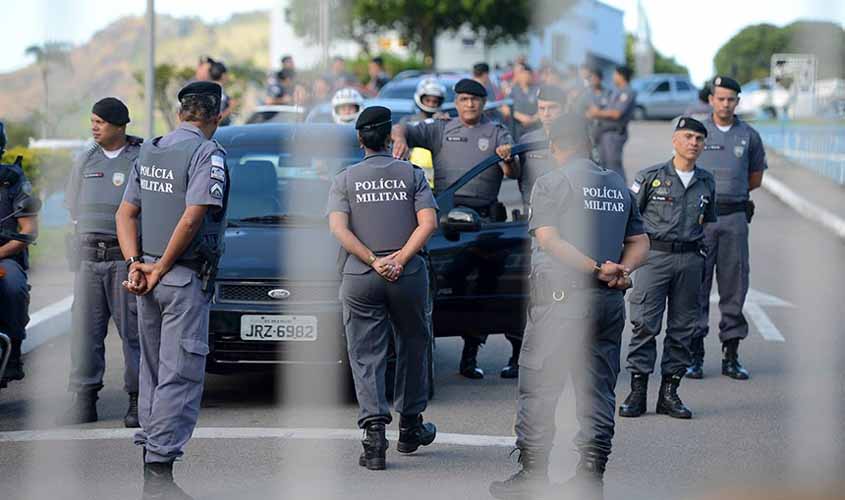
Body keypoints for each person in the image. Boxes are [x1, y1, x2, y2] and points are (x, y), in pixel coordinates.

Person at [490, 114, 649, 500]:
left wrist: (595, 268)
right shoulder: (616, 185)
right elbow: (641, 240)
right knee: (598, 389)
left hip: (562, 302)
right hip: (608, 303)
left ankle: (533, 475)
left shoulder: (552, 182)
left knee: (540, 386)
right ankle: (590, 476)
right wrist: (620, 269)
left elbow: (549, 239)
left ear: (555, 146)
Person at [116, 81, 228, 496]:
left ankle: (151, 456)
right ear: (215, 117)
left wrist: (136, 265)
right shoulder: (206, 152)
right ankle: (159, 472)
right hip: (179, 277)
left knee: (153, 370)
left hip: (146, 277)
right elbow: (193, 217)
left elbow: (125, 214)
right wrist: (162, 266)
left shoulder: (151, 149)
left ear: (181, 113)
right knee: (180, 372)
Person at [326, 106, 438, 470]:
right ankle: (410, 427)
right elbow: (428, 223)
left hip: (361, 276)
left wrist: (374, 261)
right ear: (390, 136)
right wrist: (400, 259)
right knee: (414, 345)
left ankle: (374, 438)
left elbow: (339, 231)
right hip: (406, 275)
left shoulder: (345, 178)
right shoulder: (412, 174)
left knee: (365, 354)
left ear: (360, 139)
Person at [391, 78, 521, 380]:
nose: (469, 105)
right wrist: (400, 138)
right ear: (457, 102)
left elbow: (512, 172)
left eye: (475, 99)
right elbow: (404, 127)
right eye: (463, 99)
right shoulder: (442, 128)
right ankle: (468, 355)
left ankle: (516, 356)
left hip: (486, 221)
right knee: (457, 285)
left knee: (500, 286)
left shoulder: (497, 131)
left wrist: (507, 159)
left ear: (484, 103)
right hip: (448, 218)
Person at [618, 117, 717, 421]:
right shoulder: (651, 177)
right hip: (654, 257)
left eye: (699, 139)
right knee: (645, 324)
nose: (693, 143)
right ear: (674, 140)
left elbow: (707, 222)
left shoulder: (707, 181)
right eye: (688, 137)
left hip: (690, 260)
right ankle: (637, 393)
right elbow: (630, 219)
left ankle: (670, 394)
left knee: (682, 329)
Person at [57, 98, 143, 426]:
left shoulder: (141, 158)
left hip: (124, 259)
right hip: (89, 259)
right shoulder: (85, 160)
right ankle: (84, 401)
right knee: (85, 333)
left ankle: (137, 402)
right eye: (92, 121)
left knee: (133, 334)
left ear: (119, 125)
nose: (94, 127)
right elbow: (73, 210)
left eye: (100, 122)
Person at [688, 76, 767, 380]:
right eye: (720, 98)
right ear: (711, 99)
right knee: (697, 284)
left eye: (731, 99)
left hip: (734, 219)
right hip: (701, 219)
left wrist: (730, 193)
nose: (725, 103)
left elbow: (755, 177)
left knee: (735, 285)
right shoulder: (697, 132)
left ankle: (731, 355)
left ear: (737, 101)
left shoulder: (749, 135)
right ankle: (694, 355)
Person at [0, 121, 39, 389]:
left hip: (4, 255)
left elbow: (28, 229)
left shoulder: (12, 181)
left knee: (13, 286)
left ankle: (13, 350)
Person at [516, 85, 565, 211]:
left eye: (552, 108)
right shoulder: (527, 141)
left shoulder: (577, 140)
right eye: (541, 108)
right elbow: (518, 176)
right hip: (533, 211)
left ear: (564, 109)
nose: (546, 114)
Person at [587, 65, 637, 182]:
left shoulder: (627, 92)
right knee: (603, 165)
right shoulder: (616, 91)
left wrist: (597, 113)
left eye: (615, 74)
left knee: (613, 166)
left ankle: (621, 192)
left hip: (614, 134)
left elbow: (616, 113)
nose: (614, 77)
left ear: (621, 76)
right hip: (604, 133)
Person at [509, 62, 541, 140]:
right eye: (523, 74)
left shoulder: (537, 89)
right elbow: (507, 109)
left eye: (528, 74)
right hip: (518, 128)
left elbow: (542, 106)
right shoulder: (514, 90)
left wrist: (533, 119)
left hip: (534, 127)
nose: (526, 77)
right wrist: (521, 117)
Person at [209, 61, 235, 126]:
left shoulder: (209, 89)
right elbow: (215, 120)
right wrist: (230, 108)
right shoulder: (219, 92)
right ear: (223, 75)